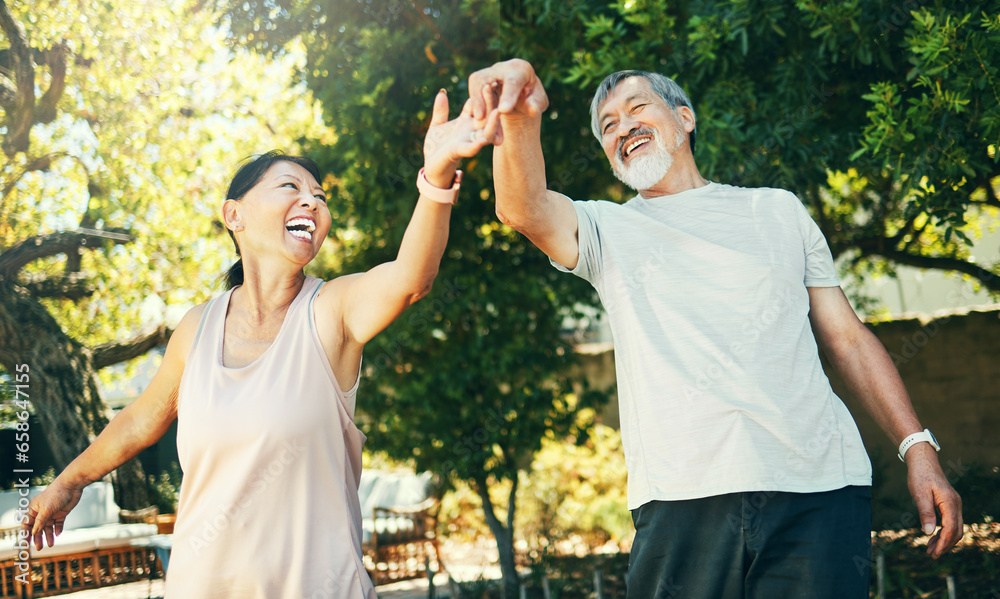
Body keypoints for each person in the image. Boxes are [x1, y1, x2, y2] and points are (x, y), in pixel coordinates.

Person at [464, 59, 963, 598]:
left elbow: (847, 339)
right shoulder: (607, 230)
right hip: (684, 499)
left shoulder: (778, 211)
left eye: (637, 109)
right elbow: (522, 207)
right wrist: (520, 116)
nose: (622, 127)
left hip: (819, 489)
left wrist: (919, 449)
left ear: (684, 117)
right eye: (607, 127)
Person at [24, 89, 500, 598]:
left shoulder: (331, 312)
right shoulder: (197, 328)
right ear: (235, 215)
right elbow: (141, 419)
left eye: (320, 197)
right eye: (290, 187)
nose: (312, 202)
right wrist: (69, 481)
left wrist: (439, 174)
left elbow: (411, 278)